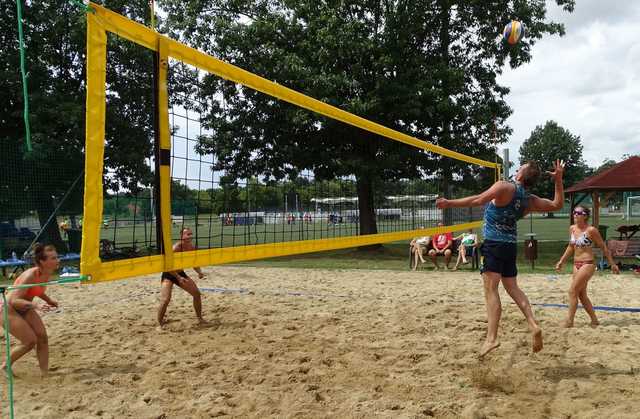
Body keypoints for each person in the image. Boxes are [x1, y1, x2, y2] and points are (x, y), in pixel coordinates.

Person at [437, 159, 565, 357]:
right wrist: (558, 180)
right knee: (512, 288)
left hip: (493, 244)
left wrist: (448, 203)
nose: (516, 169)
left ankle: (492, 338)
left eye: (520, 168)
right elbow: (557, 204)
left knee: (491, 290)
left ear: (522, 175)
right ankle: (533, 324)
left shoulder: (504, 186)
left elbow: (478, 200)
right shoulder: (529, 200)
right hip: (509, 245)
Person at [555, 206, 620, 328]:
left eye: (578, 213)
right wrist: (561, 261)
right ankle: (594, 320)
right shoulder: (572, 228)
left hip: (588, 263)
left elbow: (603, 247)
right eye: (574, 212)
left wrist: (612, 264)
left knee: (572, 291)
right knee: (581, 295)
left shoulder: (591, 230)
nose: (575, 215)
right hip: (576, 264)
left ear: (585, 215)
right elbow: (571, 247)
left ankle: (569, 321)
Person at [1, 244, 60, 377]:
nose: (58, 260)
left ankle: (44, 373)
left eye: (57, 257)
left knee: (42, 337)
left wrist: (48, 300)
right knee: (29, 341)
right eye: (53, 258)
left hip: (24, 306)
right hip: (8, 307)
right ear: (42, 262)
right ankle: (5, 366)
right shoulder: (30, 275)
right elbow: (13, 300)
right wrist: (36, 306)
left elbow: (35, 290)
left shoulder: (46, 273)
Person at [158, 228, 206, 328]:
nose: (190, 236)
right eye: (187, 234)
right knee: (165, 300)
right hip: (169, 274)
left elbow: (194, 263)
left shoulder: (192, 248)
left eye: (191, 234)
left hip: (180, 274)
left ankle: (200, 319)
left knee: (196, 294)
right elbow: (168, 266)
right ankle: (160, 324)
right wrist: (178, 278)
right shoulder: (175, 248)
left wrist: (199, 272)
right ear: (181, 236)